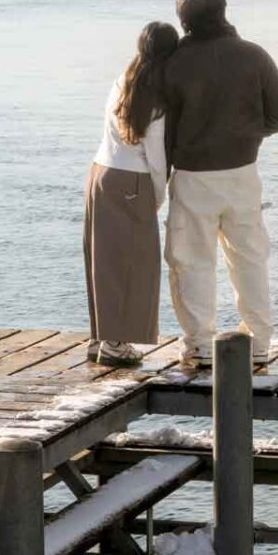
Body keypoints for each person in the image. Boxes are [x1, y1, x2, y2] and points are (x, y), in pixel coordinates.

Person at [162, 0, 278, 368]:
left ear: (184, 21)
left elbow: (163, 127)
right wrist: (251, 133)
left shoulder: (175, 63)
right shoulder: (254, 56)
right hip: (242, 171)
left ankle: (200, 344)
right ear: (223, 11)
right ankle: (257, 342)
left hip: (191, 175)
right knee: (249, 257)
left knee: (191, 261)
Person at [83, 21, 179, 365]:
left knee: (103, 261)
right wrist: (157, 198)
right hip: (131, 182)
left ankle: (100, 338)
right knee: (133, 265)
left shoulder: (123, 80)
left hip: (99, 173)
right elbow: (156, 161)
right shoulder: (157, 100)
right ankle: (115, 344)